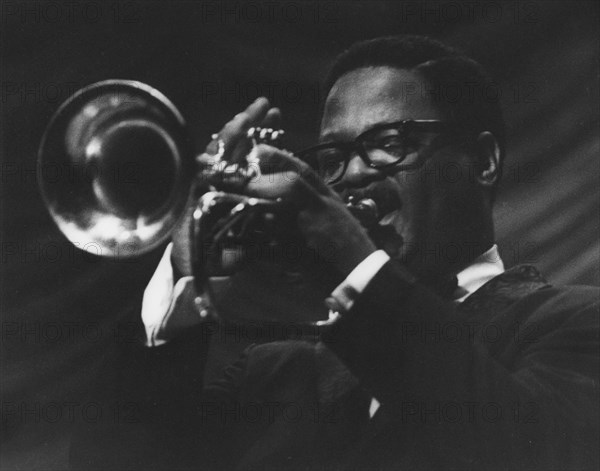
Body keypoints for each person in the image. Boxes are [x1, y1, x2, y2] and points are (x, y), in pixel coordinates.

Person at [70, 35, 599, 470]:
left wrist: (352, 261)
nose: (355, 176)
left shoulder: (572, 324)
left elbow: (521, 448)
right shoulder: (277, 375)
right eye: (335, 157)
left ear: (482, 161)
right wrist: (185, 272)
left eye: (390, 142)